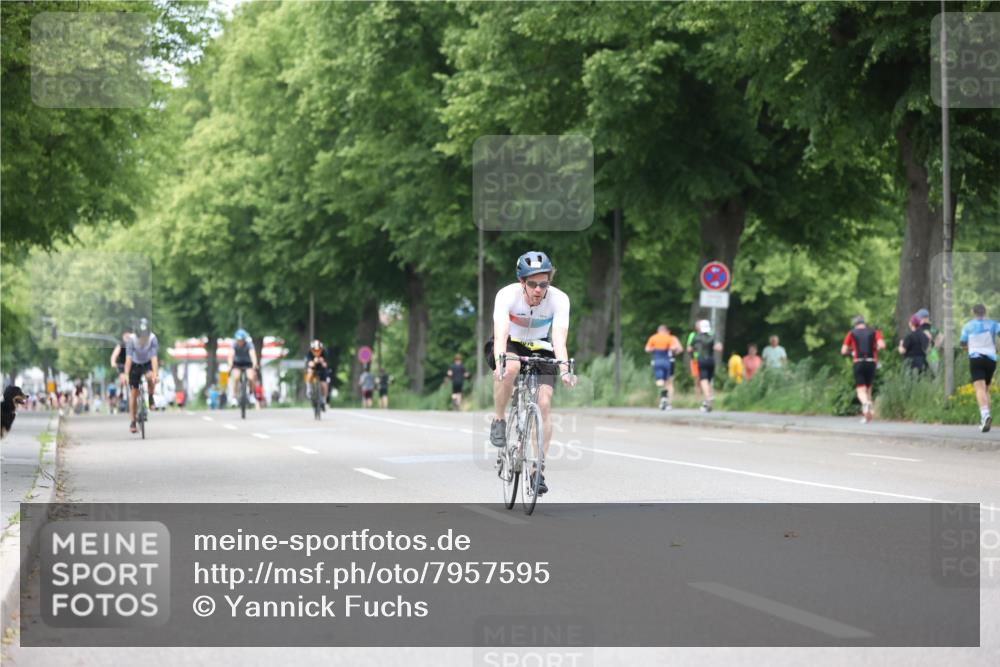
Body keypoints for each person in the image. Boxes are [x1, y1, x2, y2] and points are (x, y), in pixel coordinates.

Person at [485, 250, 575, 497]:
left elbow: (558, 337)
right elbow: (501, 331)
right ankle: (500, 419)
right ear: (522, 282)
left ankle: (538, 469)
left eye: (543, 284)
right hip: (510, 342)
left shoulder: (559, 299)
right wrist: (501, 361)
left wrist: (565, 369)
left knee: (544, 403)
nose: (538, 289)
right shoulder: (507, 295)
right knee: (511, 368)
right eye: (533, 284)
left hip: (540, 346)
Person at [960, 303, 998, 433]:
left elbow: (963, 344)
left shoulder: (968, 326)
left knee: (979, 388)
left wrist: (971, 349)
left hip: (976, 358)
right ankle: (986, 417)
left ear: (973, 312)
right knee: (986, 388)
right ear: (985, 312)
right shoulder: (993, 324)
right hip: (991, 359)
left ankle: (985, 415)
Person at [840, 315, 885, 424]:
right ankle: (868, 416)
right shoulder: (875, 332)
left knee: (860, 390)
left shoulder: (851, 333)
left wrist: (851, 350)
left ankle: (866, 404)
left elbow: (843, 351)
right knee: (868, 389)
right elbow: (882, 345)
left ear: (855, 325)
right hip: (871, 362)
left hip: (858, 362)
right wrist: (875, 348)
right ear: (864, 323)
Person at [124, 318, 159, 433]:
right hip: (135, 364)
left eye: (145, 336)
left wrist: (155, 375)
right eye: (141, 336)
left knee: (150, 377)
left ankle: (150, 397)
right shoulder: (131, 340)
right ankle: (133, 421)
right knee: (134, 393)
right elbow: (128, 359)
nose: (143, 339)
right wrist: (126, 375)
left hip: (147, 363)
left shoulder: (153, 339)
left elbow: (154, 358)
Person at [686, 320, 723, 412]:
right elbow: (719, 347)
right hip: (711, 360)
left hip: (701, 360)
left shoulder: (696, 337)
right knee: (709, 381)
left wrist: (694, 351)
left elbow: (689, 349)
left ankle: (708, 397)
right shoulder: (712, 336)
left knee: (703, 380)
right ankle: (707, 402)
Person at [644, 325, 683, 410]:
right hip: (668, 361)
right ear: (666, 331)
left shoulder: (653, 338)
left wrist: (653, 349)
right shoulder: (670, 338)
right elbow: (677, 348)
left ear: (658, 331)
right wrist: (672, 351)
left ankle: (663, 396)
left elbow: (647, 349)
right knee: (669, 382)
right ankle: (667, 401)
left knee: (659, 381)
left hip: (657, 361)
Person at [228, 329, 259, 409]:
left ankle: (251, 395)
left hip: (247, 363)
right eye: (238, 340)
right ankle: (234, 397)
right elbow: (231, 355)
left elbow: (253, 355)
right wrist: (230, 365)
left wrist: (254, 364)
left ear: (244, 339)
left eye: (241, 340)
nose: (240, 342)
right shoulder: (234, 344)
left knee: (251, 377)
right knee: (236, 377)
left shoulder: (249, 345)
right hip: (237, 363)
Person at [110, 327, 133, 413]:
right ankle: (121, 391)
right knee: (122, 378)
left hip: (133, 365)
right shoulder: (121, 345)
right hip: (123, 365)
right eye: (125, 335)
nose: (127, 337)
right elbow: (114, 356)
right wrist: (113, 362)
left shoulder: (135, 344)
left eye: (128, 334)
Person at [304, 339, 330, 410]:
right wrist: (314, 361)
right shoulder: (309, 352)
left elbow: (326, 364)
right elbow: (309, 363)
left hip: (322, 369)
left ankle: (324, 399)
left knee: (324, 384)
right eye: (315, 350)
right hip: (313, 369)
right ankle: (309, 388)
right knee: (309, 372)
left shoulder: (324, 352)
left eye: (318, 350)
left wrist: (322, 362)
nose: (317, 352)